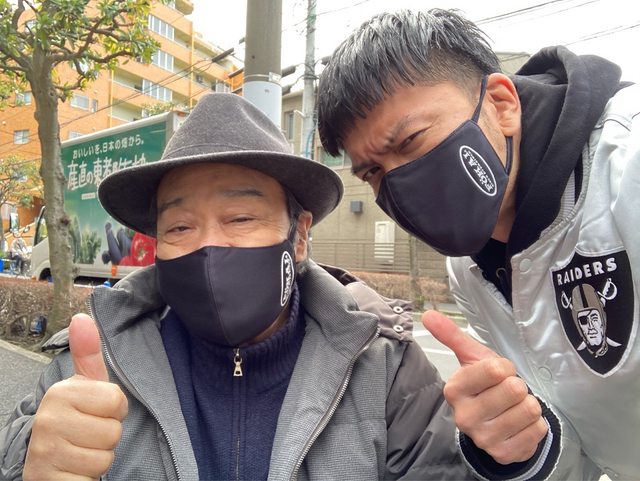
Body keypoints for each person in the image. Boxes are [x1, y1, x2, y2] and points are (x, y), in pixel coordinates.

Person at [0, 93, 484, 480]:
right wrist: (30, 466)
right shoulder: (88, 368)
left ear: (299, 236)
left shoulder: (387, 370)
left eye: (241, 218)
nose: (210, 247)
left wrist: (506, 460)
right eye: (180, 227)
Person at [317, 8, 639, 481]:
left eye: (411, 140)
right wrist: (524, 447)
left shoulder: (627, 162)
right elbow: (581, 449)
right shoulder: (468, 269)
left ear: (501, 105)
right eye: (373, 172)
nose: (400, 183)